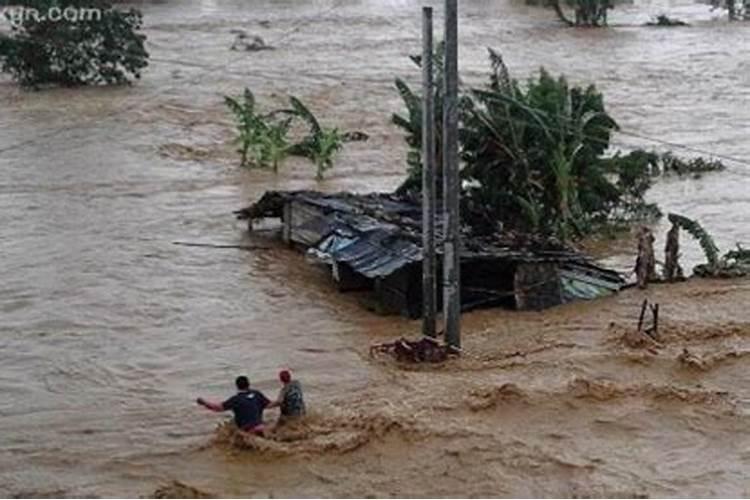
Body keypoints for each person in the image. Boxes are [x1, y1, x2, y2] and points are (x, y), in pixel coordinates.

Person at [197, 375, 272, 436]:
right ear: (248, 384)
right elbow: (270, 405)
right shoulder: (257, 394)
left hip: (247, 430)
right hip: (261, 426)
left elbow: (218, 408)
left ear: (237, 386)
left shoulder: (236, 399)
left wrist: (204, 403)